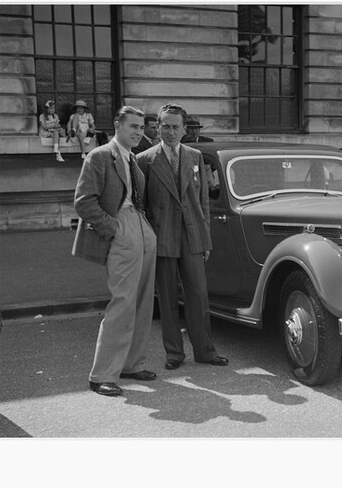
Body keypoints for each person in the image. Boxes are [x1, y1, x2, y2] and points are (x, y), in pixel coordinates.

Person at [72, 105, 158, 395]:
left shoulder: (132, 158)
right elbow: (84, 201)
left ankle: (132, 363)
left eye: (142, 127)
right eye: (133, 126)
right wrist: (114, 228)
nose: (139, 132)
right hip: (122, 228)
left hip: (141, 228)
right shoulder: (100, 156)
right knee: (122, 301)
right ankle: (102, 375)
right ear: (117, 125)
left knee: (143, 301)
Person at [137, 104, 228, 370]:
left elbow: (203, 201)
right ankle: (174, 353)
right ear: (157, 128)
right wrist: (147, 240)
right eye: (165, 126)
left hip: (192, 235)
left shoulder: (194, 156)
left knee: (198, 295)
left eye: (175, 127)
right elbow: (141, 204)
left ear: (184, 129)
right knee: (167, 299)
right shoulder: (144, 159)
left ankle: (205, 351)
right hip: (162, 237)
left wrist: (205, 238)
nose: (170, 131)